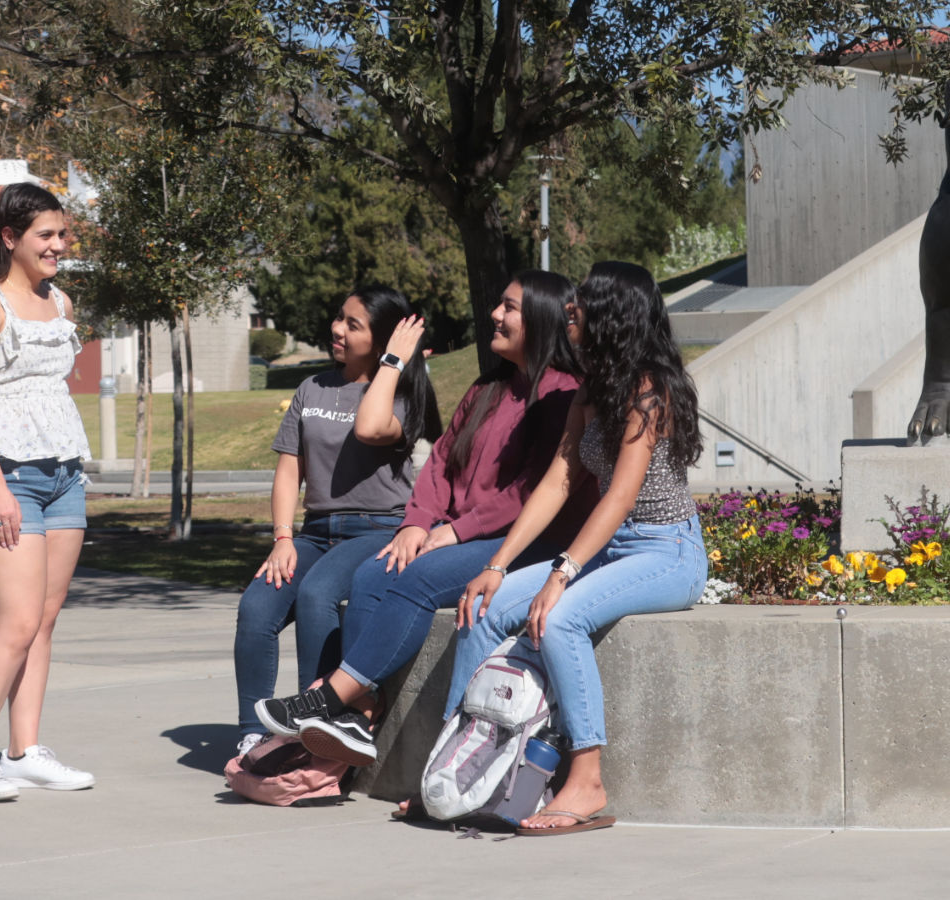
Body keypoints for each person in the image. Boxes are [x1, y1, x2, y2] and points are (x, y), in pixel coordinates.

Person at [255, 270, 596, 767]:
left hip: (521, 544)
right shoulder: (489, 387)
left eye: (509, 307)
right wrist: (417, 521)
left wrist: (456, 530)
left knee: (414, 580)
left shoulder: (561, 393)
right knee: (376, 571)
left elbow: (532, 490)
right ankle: (361, 710)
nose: (495, 315)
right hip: (454, 533)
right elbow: (440, 461)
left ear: (542, 319)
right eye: (498, 304)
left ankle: (331, 699)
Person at [448, 260, 708, 836]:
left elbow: (617, 498)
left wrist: (561, 573)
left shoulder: (650, 391)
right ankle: (455, 769)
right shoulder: (593, 387)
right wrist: (496, 565)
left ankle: (587, 779)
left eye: (585, 300)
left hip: (668, 553)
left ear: (614, 314)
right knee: (481, 608)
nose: (572, 307)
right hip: (616, 550)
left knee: (559, 619)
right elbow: (558, 481)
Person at [234, 286, 441, 757]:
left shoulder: (404, 396)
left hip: (378, 529)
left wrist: (393, 363)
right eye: (339, 319)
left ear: (383, 338)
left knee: (317, 594)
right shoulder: (312, 387)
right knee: (256, 608)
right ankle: (252, 731)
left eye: (353, 324)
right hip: (314, 532)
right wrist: (283, 537)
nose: (337, 329)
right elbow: (290, 467)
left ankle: (316, 721)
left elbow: (372, 429)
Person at [0, 183, 97, 802]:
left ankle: (25, 750)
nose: (59, 246)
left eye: (62, 235)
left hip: (62, 474)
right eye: (46, 236)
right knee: (17, 621)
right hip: (6, 478)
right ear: (9, 238)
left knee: (46, 620)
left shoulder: (57, 301)